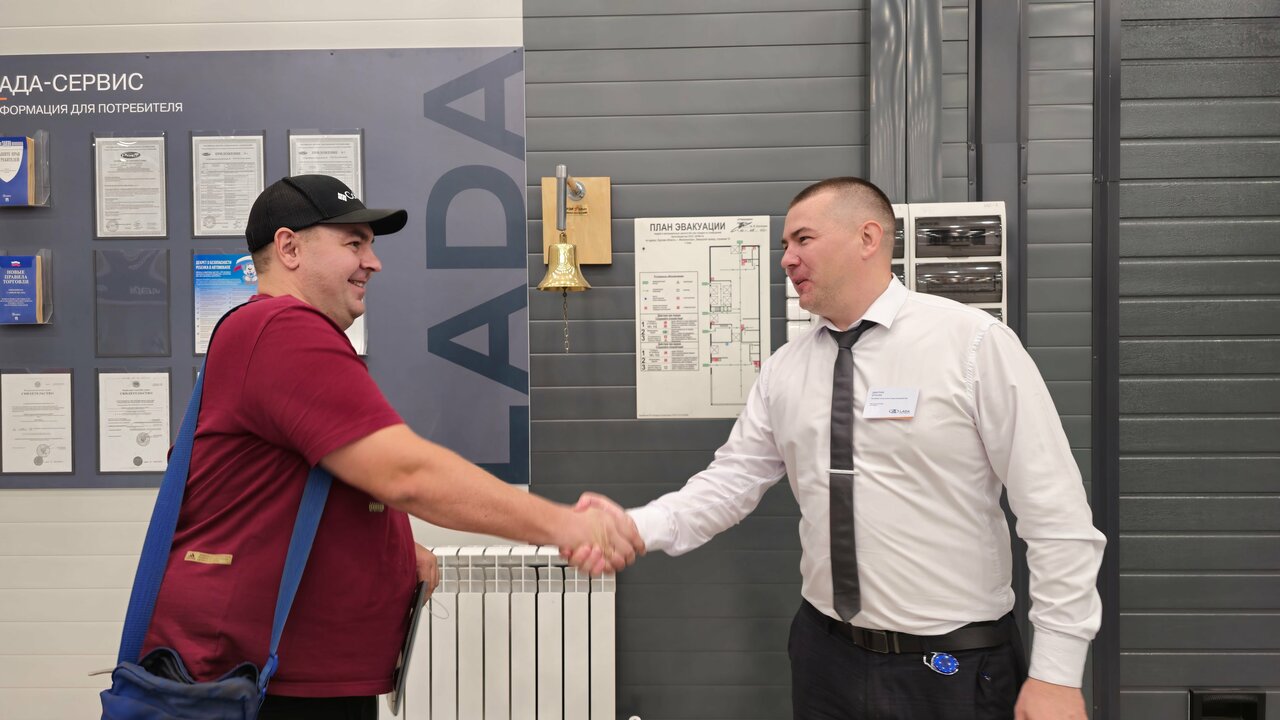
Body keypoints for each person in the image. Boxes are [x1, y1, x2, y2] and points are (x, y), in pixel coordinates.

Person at [575, 177, 1105, 719]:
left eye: (803, 239)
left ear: (867, 238)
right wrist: (634, 527)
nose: (787, 258)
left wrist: (1056, 674)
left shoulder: (971, 344)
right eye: (785, 245)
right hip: (825, 657)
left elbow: (1055, 514)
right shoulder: (786, 369)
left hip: (953, 664)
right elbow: (730, 482)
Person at [142, 174, 641, 720]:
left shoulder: (271, 333)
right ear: (289, 248)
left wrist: (395, 553)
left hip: (292, 676)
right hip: (263, 685)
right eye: (354, 243)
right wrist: (563, 525)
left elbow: (281, 487)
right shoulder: (282, 330)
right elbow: (406, 473)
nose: (373, 262)